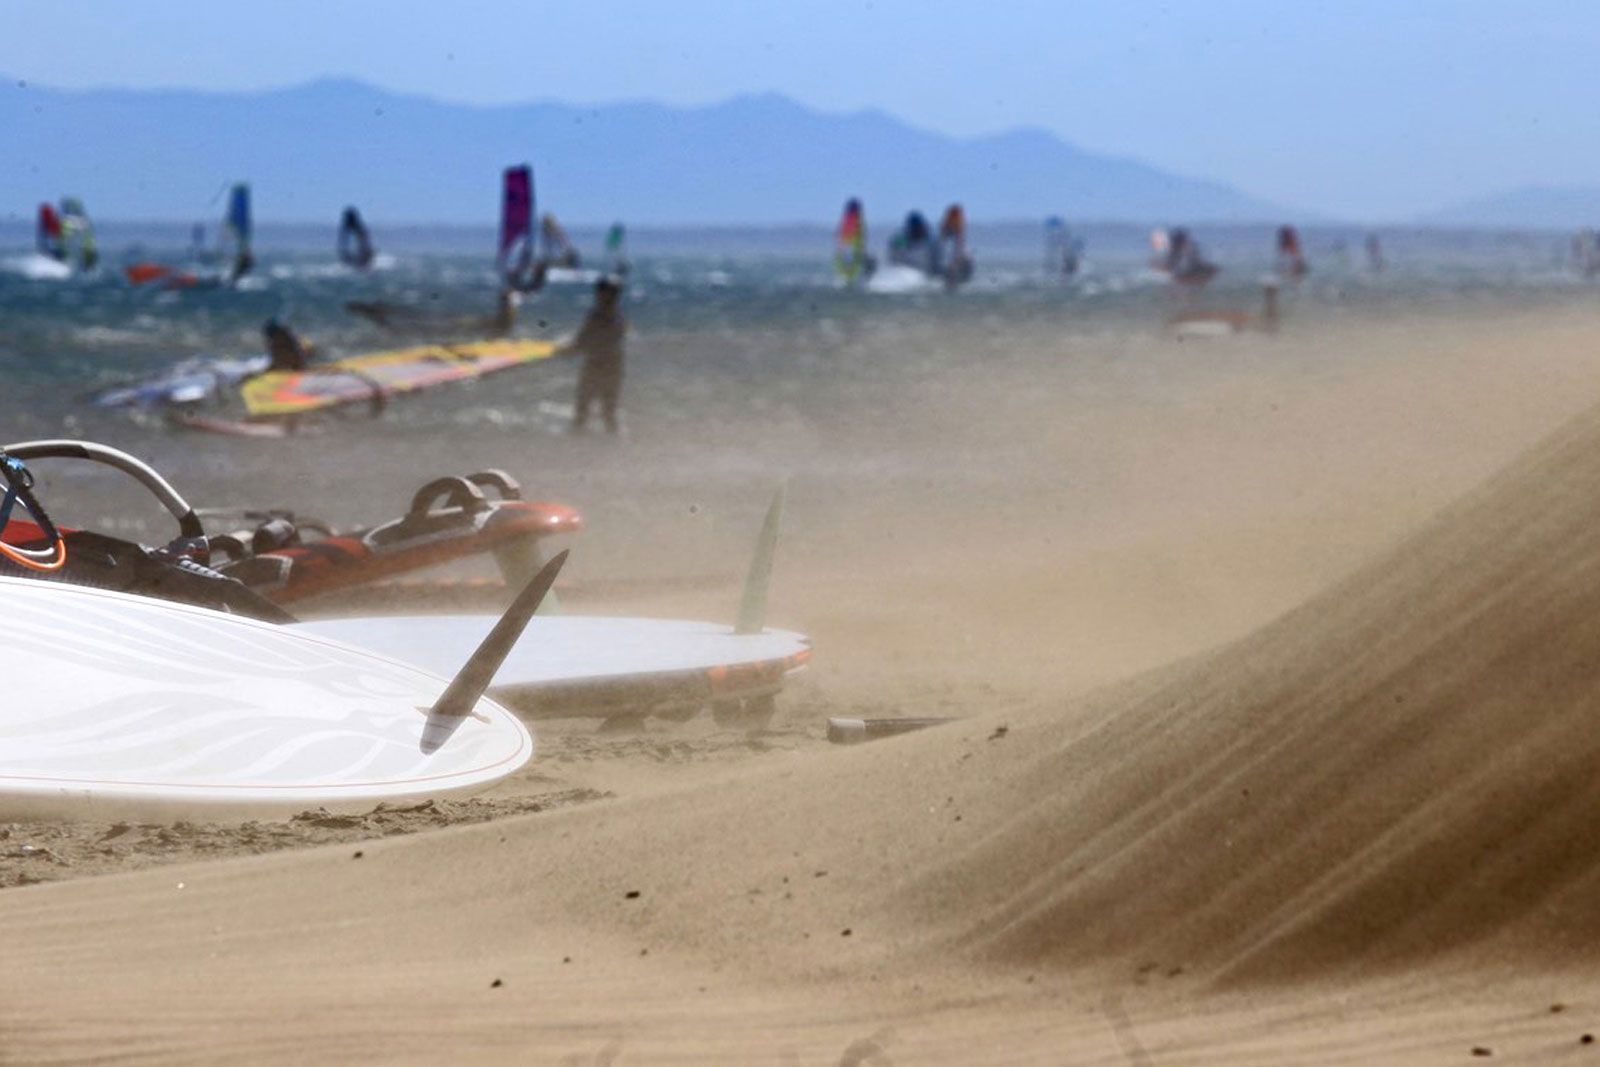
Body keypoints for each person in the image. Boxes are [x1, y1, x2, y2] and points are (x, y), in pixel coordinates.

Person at [564, 277, 626, 434]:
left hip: (596, 366)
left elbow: (583, 341)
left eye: (601, 292)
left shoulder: (597, 316)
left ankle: (576, 442)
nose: (598, 296)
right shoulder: (619, 316)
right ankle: (614, 443)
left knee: (583, 410)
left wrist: (567, 350)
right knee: (608, 413)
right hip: (614, 367)